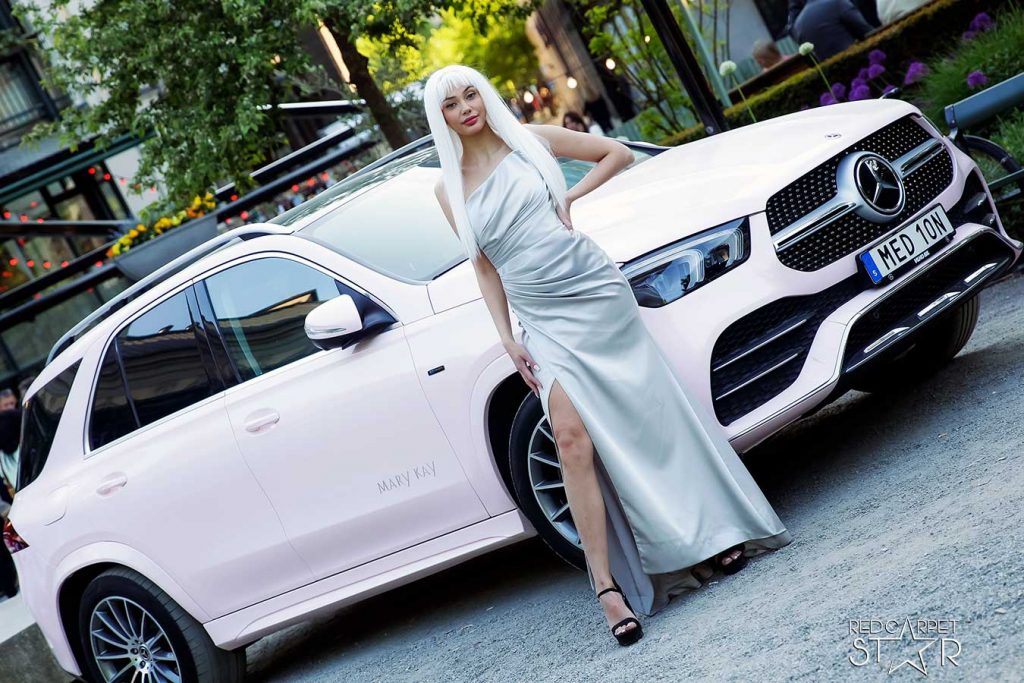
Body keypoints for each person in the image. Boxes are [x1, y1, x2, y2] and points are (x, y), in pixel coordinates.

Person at [424, 64, 793, 647]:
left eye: (471, 94)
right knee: (571, 440)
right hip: (540, 318)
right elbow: (483, 265)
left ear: (485, 95)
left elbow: (615, 152)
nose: (466, 108)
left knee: (650, 416)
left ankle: (710, 533)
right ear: (440, 117)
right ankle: (605, 586)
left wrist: (567, 198)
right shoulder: (449, 188)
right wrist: (506, 337)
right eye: (451, 104)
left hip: (593, 290)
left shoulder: (531, 140)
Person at [792, 0, 875, 60]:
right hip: (860, 65)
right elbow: (870, 34)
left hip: (832, 76)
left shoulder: (797, 25)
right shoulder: (836, 3)